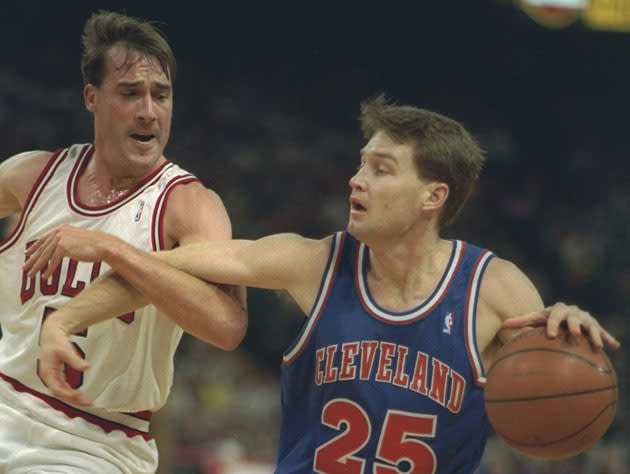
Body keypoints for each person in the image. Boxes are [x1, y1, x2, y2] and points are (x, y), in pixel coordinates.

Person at [29, 95, 619, 474]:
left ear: (432, 197)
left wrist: (571, 333)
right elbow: (163, 268)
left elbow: (551, 401)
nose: (355, 180)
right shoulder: (310, 262)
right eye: (361, 163)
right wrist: (68, 317)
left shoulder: (495, 290)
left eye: (380, 170)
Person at [0, 10, 247, 474]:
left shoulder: (189, 206)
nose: (149, 111)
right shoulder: (31, 175)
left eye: (162, 95)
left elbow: (226, 325)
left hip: (94, 443)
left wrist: (112, 250)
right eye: (131, 93)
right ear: (92, 98)